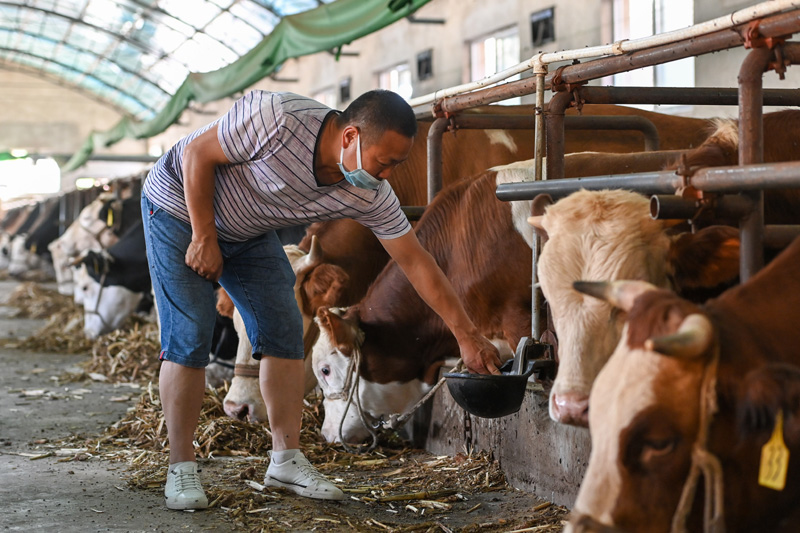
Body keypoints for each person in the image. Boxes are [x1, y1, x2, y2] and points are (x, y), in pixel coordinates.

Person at [141, 89, 502, 510]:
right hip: (179, 208)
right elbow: (196, 155)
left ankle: (285, 461)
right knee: (190, 335)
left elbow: (417, 263)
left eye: (396, 165)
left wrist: (467, 335)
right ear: (350, 137)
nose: (386, 175)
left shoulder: (368, 193)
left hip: (248, 229)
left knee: (285, 329)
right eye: (383, 161)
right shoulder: (277, 118)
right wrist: (204, 236)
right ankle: (180, 468)